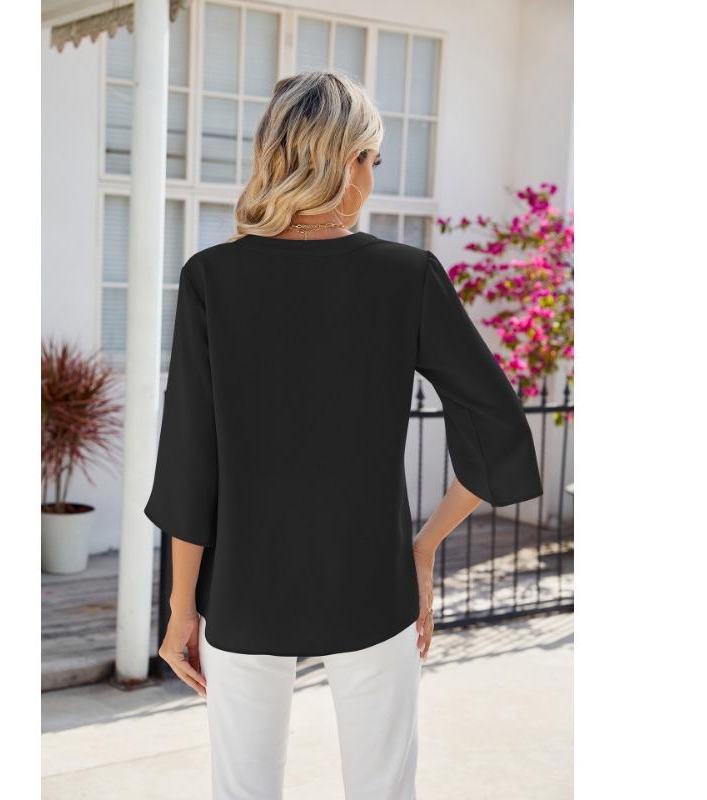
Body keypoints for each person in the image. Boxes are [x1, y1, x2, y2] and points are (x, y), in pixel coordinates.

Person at [144, 70, 543, 800]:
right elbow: (499, 426)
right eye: (372, 158)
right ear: (349, 161)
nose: (371, 176)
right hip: (371, 582)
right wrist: (422, 549)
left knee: (242, 790)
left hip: (243, 590)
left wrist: (180, 608)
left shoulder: (212, 279)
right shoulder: (407, 276)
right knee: (383, 788)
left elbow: (189, 459)